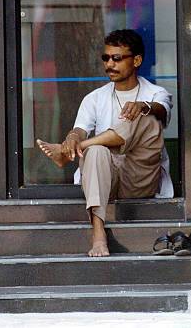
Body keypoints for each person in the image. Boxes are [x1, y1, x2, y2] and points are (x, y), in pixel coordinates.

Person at [36, 29, 173, 257]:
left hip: (139, 176)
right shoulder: (95, 98)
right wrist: (72, 138)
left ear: (136, 60)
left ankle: (80, 148)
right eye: (106, 58)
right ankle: (98, 235)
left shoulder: (156, 93)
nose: (109, 64)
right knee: (97, 151)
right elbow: (79, 129)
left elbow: (160, 109)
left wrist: (143, 106)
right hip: (105, 178)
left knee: (143, 116)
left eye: (117, 58)